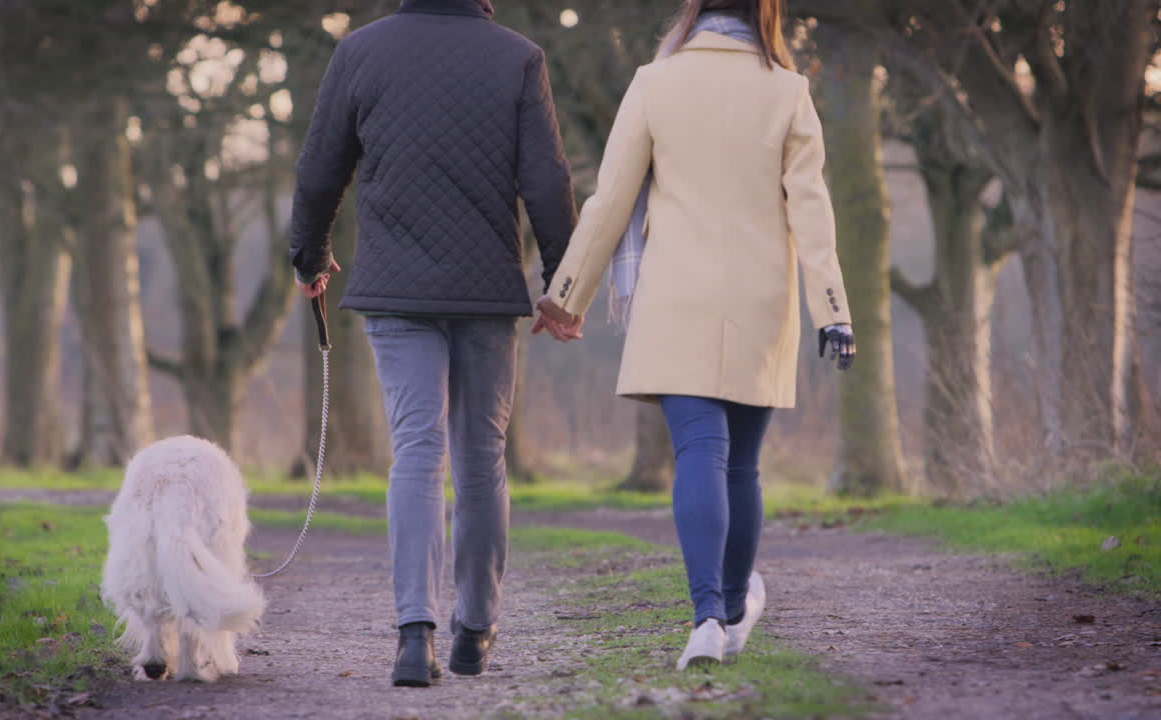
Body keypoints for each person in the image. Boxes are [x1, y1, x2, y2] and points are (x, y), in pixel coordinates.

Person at [535, 0, 857, 670]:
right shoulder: (788, 92)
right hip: (760, 299)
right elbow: (813, 208)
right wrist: (833, 310)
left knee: (698, 456)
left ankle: (707, 616)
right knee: (740, 465)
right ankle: (732, 612)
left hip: (675, 296)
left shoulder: (657, 82)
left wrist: (567, 295)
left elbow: (611, 199)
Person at [287, 0, 577, 688]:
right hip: (484, 290)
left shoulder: (361, 51)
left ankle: (414, 636)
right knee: (482, 458)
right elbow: (546, 178)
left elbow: (321, 165)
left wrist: (309, 255)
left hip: (395, 286)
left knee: (417, 451)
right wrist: (564, 285)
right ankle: (475, 631)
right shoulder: (517, 57)